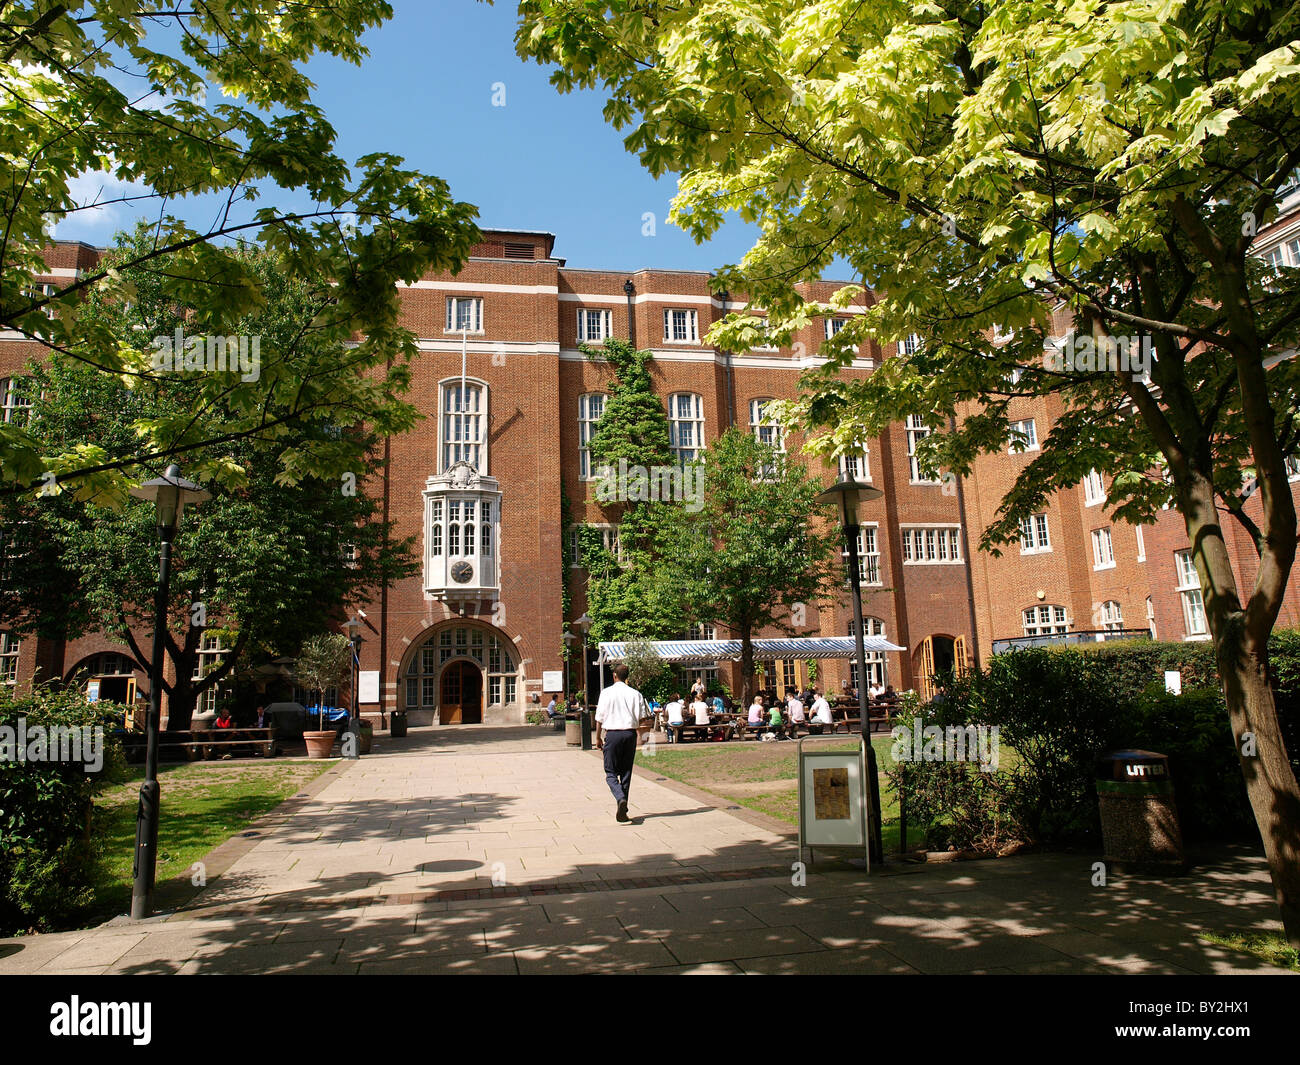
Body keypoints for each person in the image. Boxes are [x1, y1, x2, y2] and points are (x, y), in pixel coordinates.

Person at [595, 664, 651, 823]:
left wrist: (598, 737)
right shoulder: (635, 694)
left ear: (614, 675)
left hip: (612, 734)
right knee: (626, 772)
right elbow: (642, 718)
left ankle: (620, 798)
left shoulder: (606, 693)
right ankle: (623, 807)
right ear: (627, 676)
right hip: (629, 734)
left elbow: (599, 718)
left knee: (610, 772)